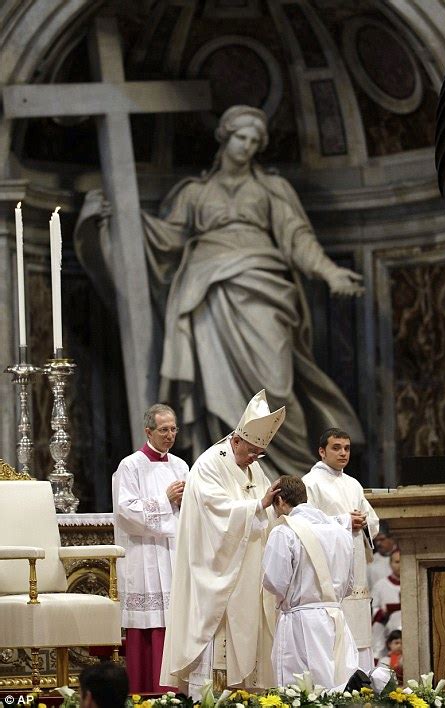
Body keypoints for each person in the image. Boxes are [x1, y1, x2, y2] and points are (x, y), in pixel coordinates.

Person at [76, 105, 364, 477]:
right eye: (241, 138)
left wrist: (330, 273)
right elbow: (166, 238)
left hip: (262, 287)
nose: (247, 146)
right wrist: (118, 217)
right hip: (207, 292)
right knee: (215, 389)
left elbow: (298, 238)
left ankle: (288, 475)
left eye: (254, 141)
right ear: (225, 138)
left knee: (274, 386)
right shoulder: (195, 193)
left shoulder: (271, 188)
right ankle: (224, 472)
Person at [160, 389, 285, 697]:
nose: (255, 457)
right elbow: (215, 511)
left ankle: (246, 693)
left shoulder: (252, 465)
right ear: (237, 439)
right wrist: (258, 506)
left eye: (260, 452)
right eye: (252, 450)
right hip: (217, 567)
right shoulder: (209, 464)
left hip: (248, 567)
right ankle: (212, 697)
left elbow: (266, 505)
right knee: (220, 632)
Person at [112, 403, 189, 693]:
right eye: (164, 430)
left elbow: (189, 511)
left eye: (173, 429)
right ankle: (146, 690)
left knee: (174, 621)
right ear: (148, 431)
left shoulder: (181, 466)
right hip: (144, 555)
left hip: (173, 552)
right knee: (149, 624)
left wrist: (185, 503)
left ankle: (175, 691)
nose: (170, 435)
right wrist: (165, 499)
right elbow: (126, 512)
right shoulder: (130, 465)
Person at [262, 475, 358, 689]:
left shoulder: (284, 531)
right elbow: (350, 584)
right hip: (336, 619)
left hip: (301, 622)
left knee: (302, 692)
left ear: (279, 501)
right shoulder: (341, 533)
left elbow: (274, 581)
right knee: (338, 687)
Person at [302, 427, 380, 672]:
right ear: (322, 451)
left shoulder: (353, 484)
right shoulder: (310, 483)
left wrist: (364, 522)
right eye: (336, 448)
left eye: (346, 448)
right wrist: (344, 521)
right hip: (330, 569)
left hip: (355, 564)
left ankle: (364, 682)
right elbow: (305, 525)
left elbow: (372, 519)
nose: (343, 453)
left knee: (359, 632)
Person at [372, 549, 401, 662]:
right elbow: (372, 610)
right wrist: (383, 612)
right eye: (397, 562)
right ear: (390, 564)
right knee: (393, 672)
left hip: (411, 635)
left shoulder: (417, 582)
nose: (400, 565)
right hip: (389, 637)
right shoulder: (380, 585)